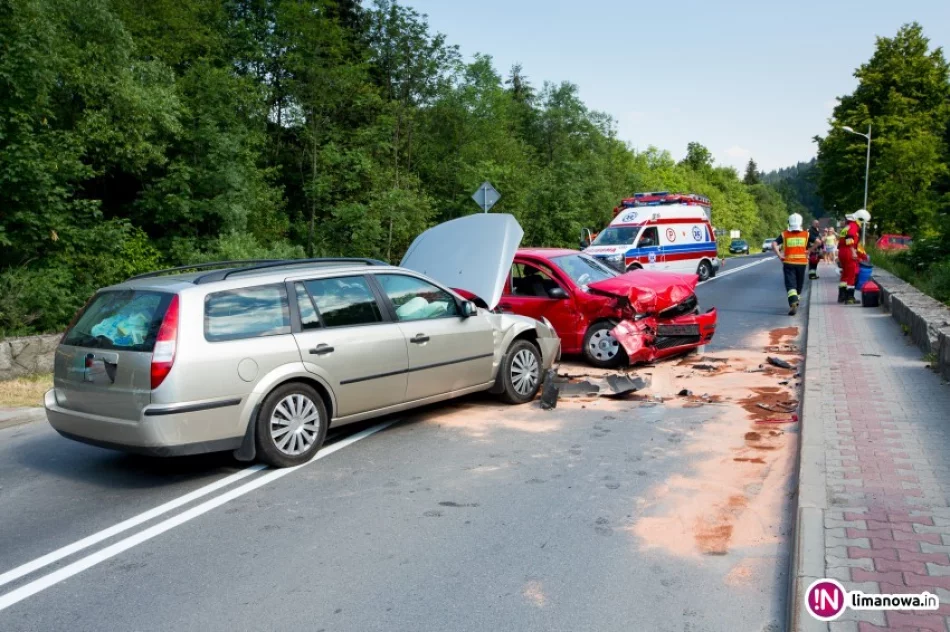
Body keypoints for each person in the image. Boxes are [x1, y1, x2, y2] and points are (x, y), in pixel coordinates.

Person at [772, 213, 819, 315]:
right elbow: (818, 242)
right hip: (802, 263)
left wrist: (780, 255)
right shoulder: (806, 234)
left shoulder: (784, 234)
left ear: (789, 223)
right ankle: (796, 301)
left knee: (790, 284)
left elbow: (774, 243)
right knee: (799, 284)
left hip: (788, 262)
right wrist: (809, 250)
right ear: (800, 223)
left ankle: (793, 302)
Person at [837, 210, 870, 304]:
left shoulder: (847, 226)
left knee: (845, 275)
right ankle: (850, 298)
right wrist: (853, 251)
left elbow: (842, 241)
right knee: (851, 276)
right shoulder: (853, 226)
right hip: (848, 252)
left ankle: (842, 296)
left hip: (842, 251)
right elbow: (849, 237)